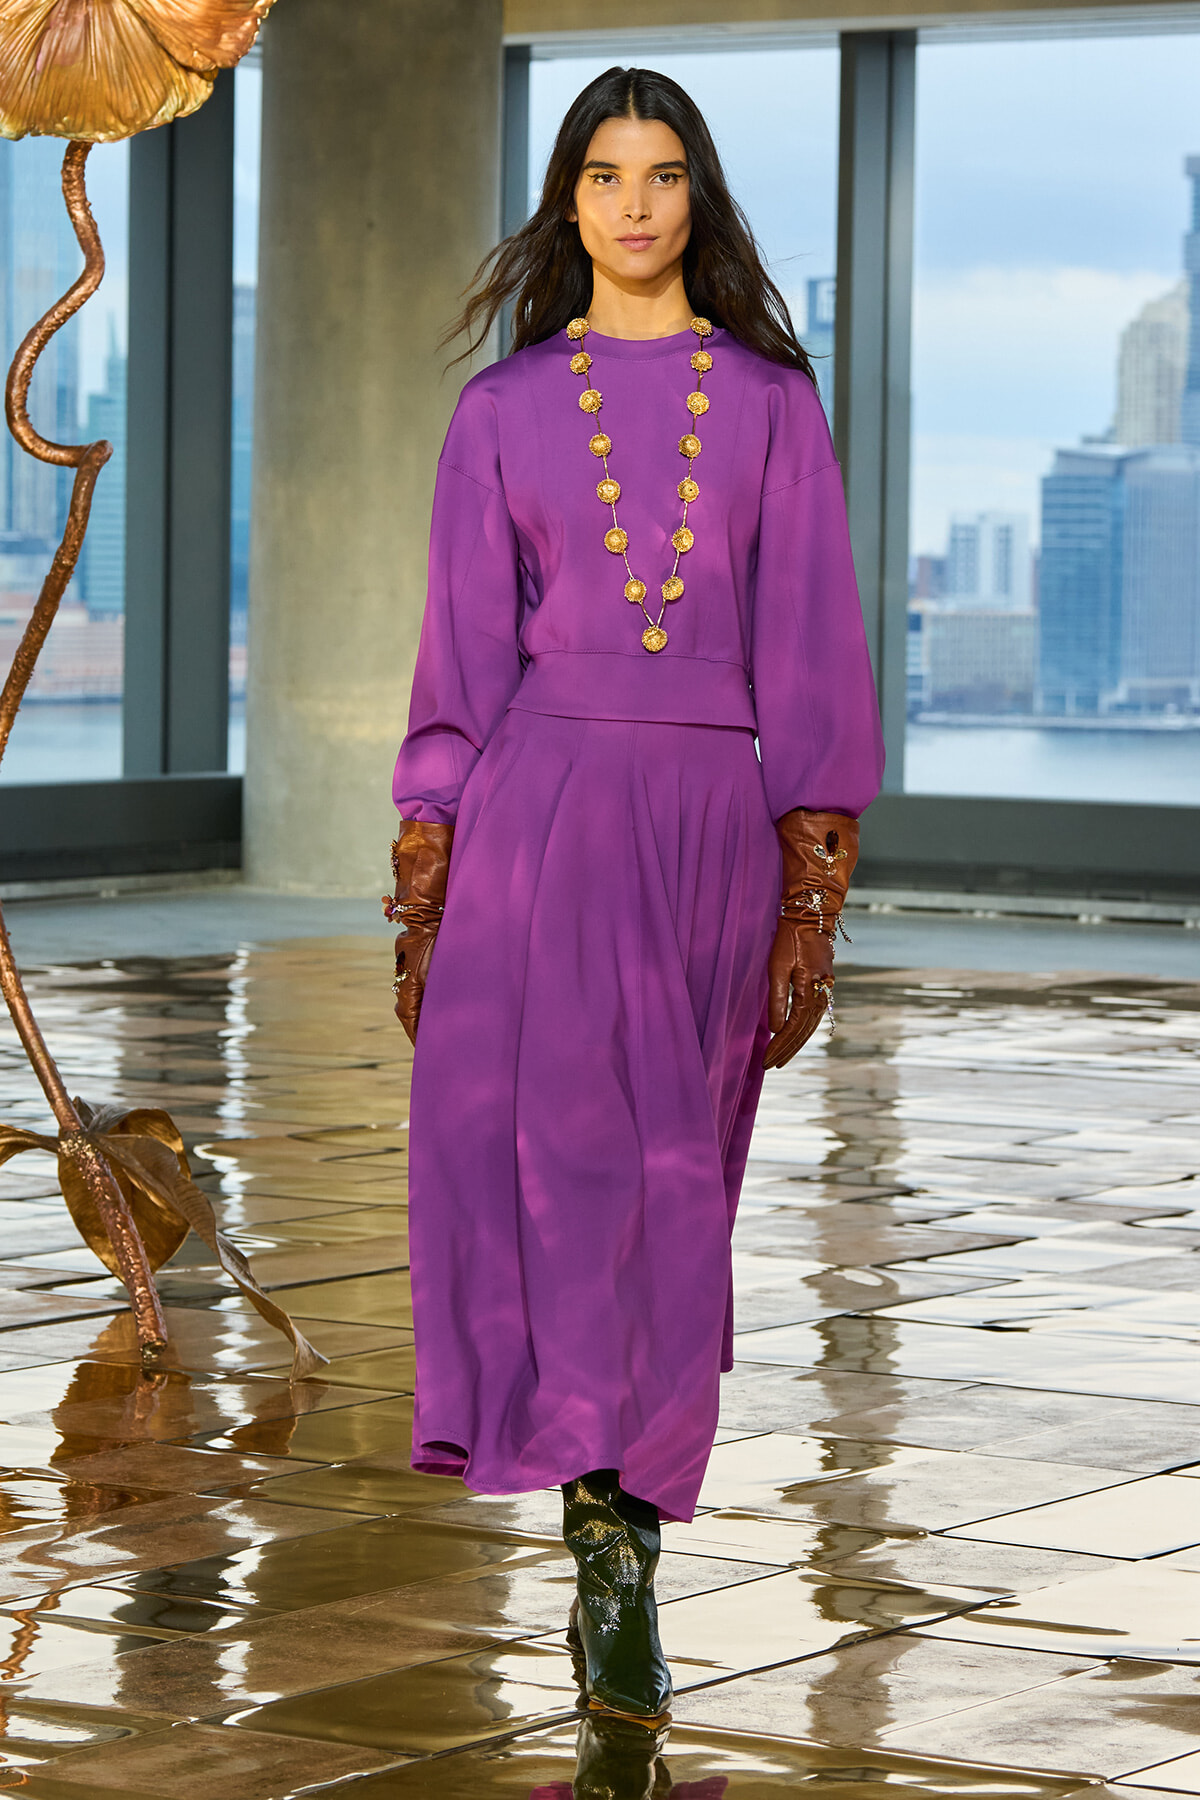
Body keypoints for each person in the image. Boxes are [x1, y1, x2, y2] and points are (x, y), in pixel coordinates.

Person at [386, 65, 884, 1728]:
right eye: (604, 173)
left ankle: (630, 1520)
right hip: (538, 822)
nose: (636, 202)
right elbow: (459, 667)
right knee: (553, 1181)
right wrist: (428, 870)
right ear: (571, 200)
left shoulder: (774, 407)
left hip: (704, 834)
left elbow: (812, 648)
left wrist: (811, 893)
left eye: (665, 172)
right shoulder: (501, 413)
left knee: (682, 1202)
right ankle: (611, 1563)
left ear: (698, 197)